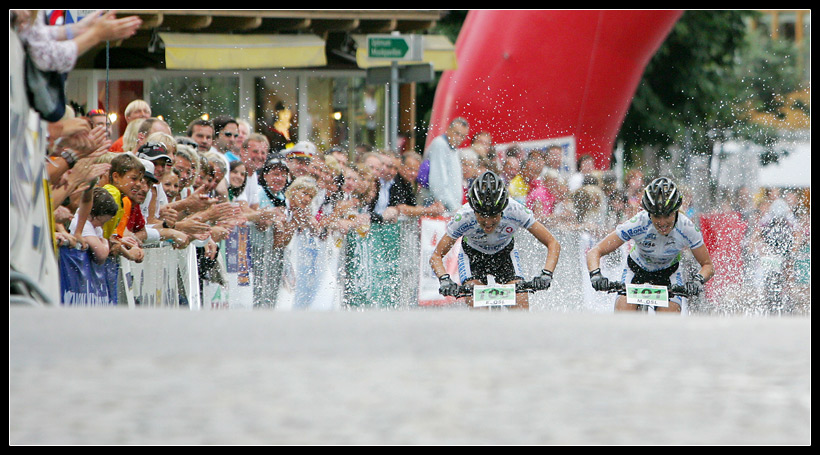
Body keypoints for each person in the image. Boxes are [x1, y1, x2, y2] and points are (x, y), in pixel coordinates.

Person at [429, 171, 561, 310]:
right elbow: (436, 255)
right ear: (474, 210)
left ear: (503, 210)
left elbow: (553, 243)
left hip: (505, 254)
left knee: (521, 304)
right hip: (473, 257)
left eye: (494, 216)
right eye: (482, 216)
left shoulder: (515, 210)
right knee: (478, 305)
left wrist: (546, 274)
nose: (488, 222)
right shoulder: (463, 217)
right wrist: (444, 279)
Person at [586, 177, 715, 314]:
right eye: (656, 216)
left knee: (668, 321)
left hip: (668, 275)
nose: (662, 222)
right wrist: (596, 274)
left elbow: (708, 265)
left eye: (668, 215)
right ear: (648, 213)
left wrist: (697, 281)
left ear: (676, 210)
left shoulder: (687, 228)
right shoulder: (638, 223)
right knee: (623, 317)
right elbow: (596, 251)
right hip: (636, 271)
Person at [424, 117, 470, 213]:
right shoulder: (440, 144)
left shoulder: (454, 149)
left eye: (462, 136)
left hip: (450, 208)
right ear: (448, 130)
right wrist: (454, 208)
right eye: (456, 133)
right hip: (439, 207)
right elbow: (438, 181)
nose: (458, 138)